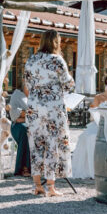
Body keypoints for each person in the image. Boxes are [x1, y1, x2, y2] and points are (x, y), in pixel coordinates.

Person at [24, 30, 74, 197]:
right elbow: (68, 85)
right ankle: (51, 187)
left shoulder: (31, 59)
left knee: (36, 144)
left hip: (34, 107)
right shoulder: (57, 60)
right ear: (55, 42)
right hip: (52, 107)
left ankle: (37, 185)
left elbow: (28, 84)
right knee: (52, 144)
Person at [70, 72, 107, 179]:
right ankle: (94, 170)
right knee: (90, 137)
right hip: (99, 123)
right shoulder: (99, 97)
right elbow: (93, 115)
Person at [8, 80, 31, 176]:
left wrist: (26, 115)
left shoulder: (32, 96)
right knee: (25, 131)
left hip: (29, 123)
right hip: (17, 126)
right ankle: (24, 168)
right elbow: (15, 117)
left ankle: (39, 166)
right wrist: (30, 115)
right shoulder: (16, 95)